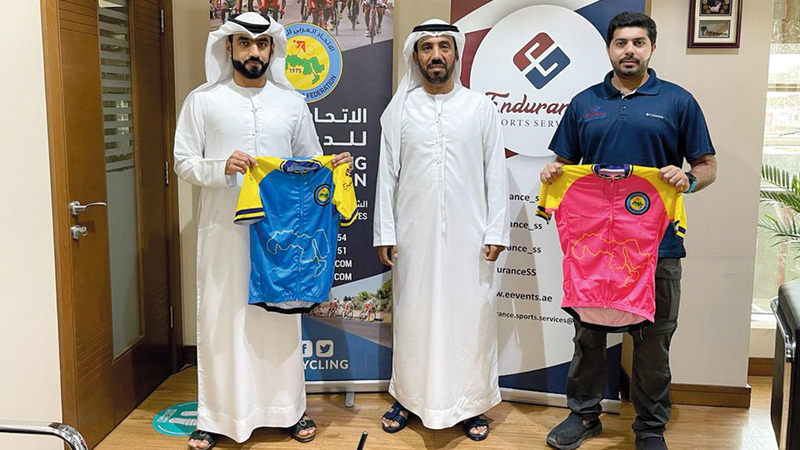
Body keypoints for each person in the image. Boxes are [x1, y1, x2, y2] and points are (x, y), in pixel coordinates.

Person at [173, 12, 352, 449]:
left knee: (278, 321)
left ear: (273, 49)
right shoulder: (203, 101)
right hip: (224, 234)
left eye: (262, 44)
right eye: (245, 43)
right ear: (228, 47)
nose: (254, 52)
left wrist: (333, 167)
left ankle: (288, 411)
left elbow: (309, 162)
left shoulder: (291, 103)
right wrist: (221, 167)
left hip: (281, 236)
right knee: (222, 320)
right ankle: (216, 417)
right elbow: (183, 162)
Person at [539, 12, 717, 450]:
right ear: (609, 49)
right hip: (595, 249)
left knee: (654, 342)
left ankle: (650, 427)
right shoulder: (584, 103)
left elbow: (707, 166)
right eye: (621, 43)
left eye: (638, 42)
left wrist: (687, 179)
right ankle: (584, 415)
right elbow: (564, 164)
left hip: (658, 247)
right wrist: (552, 172)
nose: (629, 51)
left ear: (652, 48)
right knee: (588, 336)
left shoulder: (678, 101)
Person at [373, 19, 509, 441]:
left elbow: (496, 174)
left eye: (444, 47)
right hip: (413, 238)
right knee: (414, 317)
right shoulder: (399, 111)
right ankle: (408, 397)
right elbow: (386, 177)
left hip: (471, 238)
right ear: (415, 55)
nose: (436, 55)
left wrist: (496, 231)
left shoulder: (480, 108)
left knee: (471, 319)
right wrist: (385, 232)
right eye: (427, 47)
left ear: (456, 53)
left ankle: (471, 403)